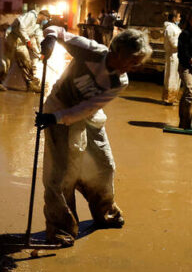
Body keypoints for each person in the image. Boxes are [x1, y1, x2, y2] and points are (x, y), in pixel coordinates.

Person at [34, 27, 153, 247]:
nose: (132, 67)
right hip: (58, 105)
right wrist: (50, 39)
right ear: (117, 51)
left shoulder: (120, 81)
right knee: (59, 174)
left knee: (103, 165)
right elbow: (55, 30)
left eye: (136, 63)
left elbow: (87, 108)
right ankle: (62, 228)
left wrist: (56, 118)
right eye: (131, 60)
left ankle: (105, 212)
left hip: (87, 116)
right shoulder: (91, 50)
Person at [0, 9, 49, 92]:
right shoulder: (31, 15)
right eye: (46, 18)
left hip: (21, 41)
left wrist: (41, 53)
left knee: (26, 61)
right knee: (7, 62)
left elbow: (39, 38)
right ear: (42, 15)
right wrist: (27, 40)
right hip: (11, 38)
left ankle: (30, 84)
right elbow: (21, 26)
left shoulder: (38, 26)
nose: (46, 21)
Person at [162, 11, 182, 104]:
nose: (180, 19)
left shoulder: (175, 27)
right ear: (174, 18)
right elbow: (174, 43)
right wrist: (183, 45)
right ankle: (169, 98)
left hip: (176, 55)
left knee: (175, 76)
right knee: (171, 76)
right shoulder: (170, 28)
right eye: (179, 17)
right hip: (173, 55)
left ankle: (172, 97)